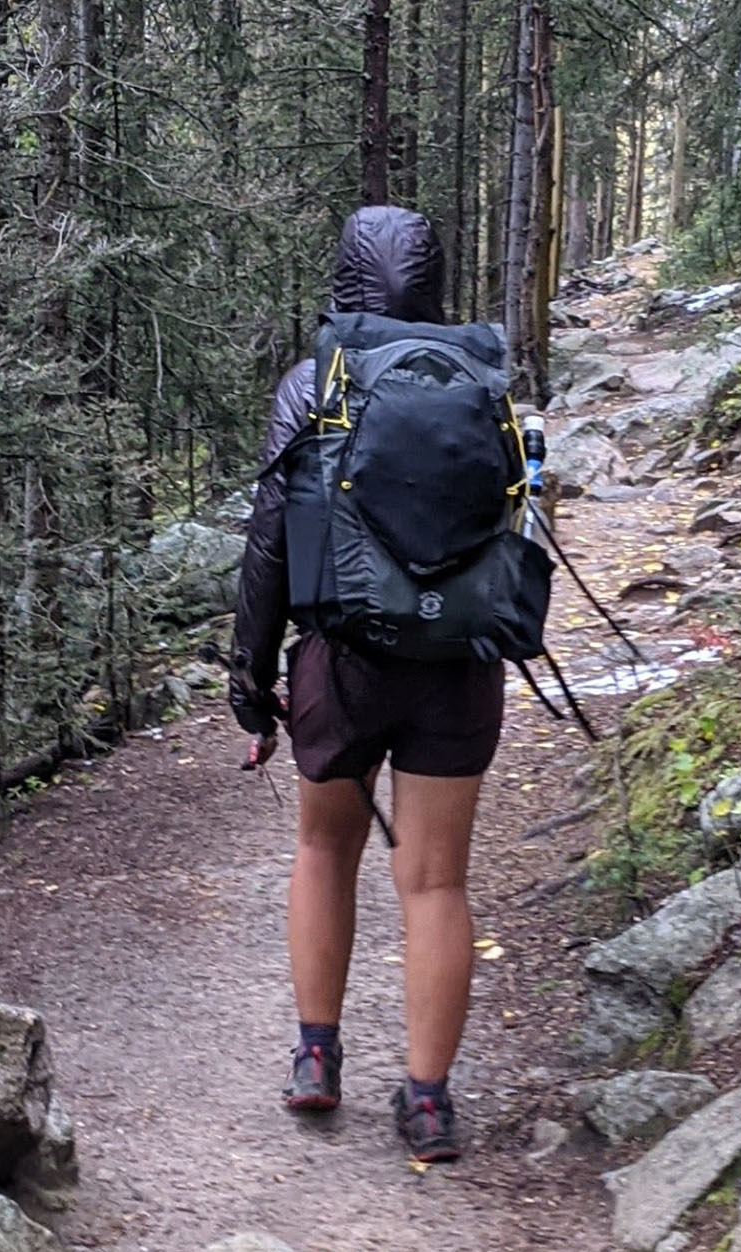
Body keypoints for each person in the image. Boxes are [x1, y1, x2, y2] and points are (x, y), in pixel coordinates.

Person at [228, 206, 504, 1164]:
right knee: (436, 884)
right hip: (458, 663)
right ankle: (428, 1106)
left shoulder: (313, 382)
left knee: (322, 851)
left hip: (340, 659)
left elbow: (270, 540)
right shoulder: (481, 377)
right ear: (434, 282)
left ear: (343, 280)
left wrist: (249, 678)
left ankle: (316, 1057)